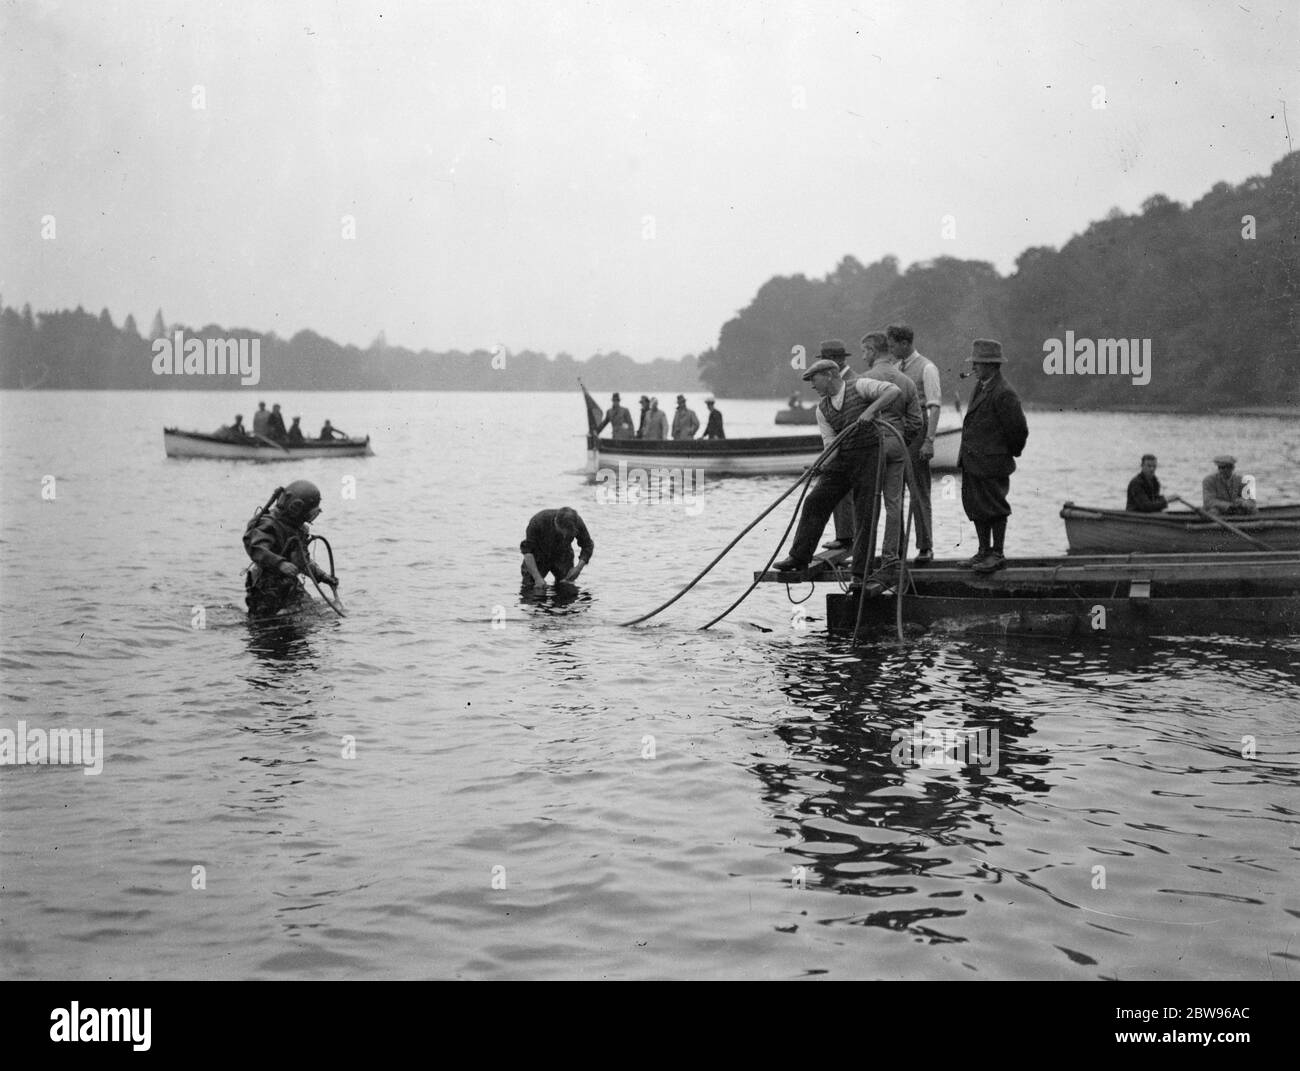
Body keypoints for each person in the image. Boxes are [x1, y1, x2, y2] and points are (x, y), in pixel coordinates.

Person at [773, 358, 901, 586]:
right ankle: (799, 557)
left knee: (865, 513)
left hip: (869, 454)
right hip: (842, 458)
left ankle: (860, 574)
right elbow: (831, 444)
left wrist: (871, 411)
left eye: (814, 379)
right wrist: (819, 465)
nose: (812, 385)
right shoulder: (822, 409)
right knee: (815, 501)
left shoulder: (860, 386)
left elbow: (893, 390)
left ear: (830, 375)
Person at [956, 339, 1029, 573]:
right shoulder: (982, 386)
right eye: (974, 362)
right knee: (976, 507)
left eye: (978, 362)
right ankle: (983, 551)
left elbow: (1019, 431)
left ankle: (996, 553)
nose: (974, 366)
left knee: (994, 506)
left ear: (991, 365)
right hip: (974, 462)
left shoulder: (1004, 393)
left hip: (992, 463)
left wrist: (1007, 453)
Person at [861, 333, 923, 572]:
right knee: (894, 503)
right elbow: (916, 422)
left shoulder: (864, 380)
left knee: (868, 503)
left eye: (864, 352)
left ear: (872, 350)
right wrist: (900, 438)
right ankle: (890, 557)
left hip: (872, 448)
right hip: (897, 445)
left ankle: (865, 557)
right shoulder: (906, 381)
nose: (864, 356)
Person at [243, 480, 338, 616]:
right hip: (265, 587)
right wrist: (280, 563)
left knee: (311, 611)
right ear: (296, 508)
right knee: (270, 622)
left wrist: (323, 576)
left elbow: (302, 561)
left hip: (288, 584)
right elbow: (256, 548)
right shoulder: (268, 524)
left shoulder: (297, 529)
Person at [889, 324, 942, 563]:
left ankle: (925, 546)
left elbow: (934, 406)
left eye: (892, 345)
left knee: (919, 490)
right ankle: (897, 549)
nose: (889, 350)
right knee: (895, 492)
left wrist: (929, 441)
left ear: (904, 344)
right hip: (898, 433)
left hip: (918, 432)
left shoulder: (927, 368)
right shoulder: (894, 368)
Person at [816, 339, 860, 552]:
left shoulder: (853, 381)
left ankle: (847, 537)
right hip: (839, 446)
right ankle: (845, 535)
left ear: (835, 361)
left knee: (844, 491)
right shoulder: (834, 382)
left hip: (853, 447)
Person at [520, 507, 594, 590]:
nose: (565, 535)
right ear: (556, 522)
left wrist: (578, 568)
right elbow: (528, 551)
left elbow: (587, 545)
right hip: (538, 555)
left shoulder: (577, 522)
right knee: (532, 589)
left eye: (568, 533)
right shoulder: (538, 521)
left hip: (563, 555)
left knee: (566, 588)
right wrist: (537, 578)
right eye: (563, 532)